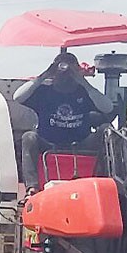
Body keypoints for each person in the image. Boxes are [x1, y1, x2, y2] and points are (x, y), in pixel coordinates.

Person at [15, 52, 115, 194]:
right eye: (61, 66)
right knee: (28, 137)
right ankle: (32, 187)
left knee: (106, 130)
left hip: (81, 142)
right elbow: (17, 97)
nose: (66, 72)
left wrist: (83, 82)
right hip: (48, 142)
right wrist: (44, 76)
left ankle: (106, 182)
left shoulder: (84, 92)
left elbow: (107, 107)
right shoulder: (44, 92)